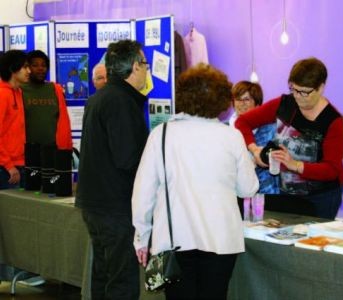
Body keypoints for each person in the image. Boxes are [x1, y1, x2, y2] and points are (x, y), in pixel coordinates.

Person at [132, 63, 259, 300]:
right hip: (221, 240)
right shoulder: (231, 136)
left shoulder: (162, 134)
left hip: (175, 239)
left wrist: (141, 236)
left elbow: (143, 192)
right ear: (222, 99)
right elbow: (248, 188)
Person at [75, 40, 149, 300]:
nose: (147, 70)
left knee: (104, 275)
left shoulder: (101, 98)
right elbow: (128, 158)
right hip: (115, 206)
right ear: (133, 67)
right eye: (144, 63)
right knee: (121, 282)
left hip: (96, 204)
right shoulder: (121, 102)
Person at [235, 57, 343, 219]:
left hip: (321, 196)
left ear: (321, 88)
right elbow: (243, 122)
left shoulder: (332, 121)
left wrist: (295, 165)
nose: (298, 96)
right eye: (294, 89)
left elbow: (333, 170)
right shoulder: (284, 104)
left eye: (304, 92)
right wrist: (255, 149)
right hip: (287, 192)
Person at [230, 81, 279, 217]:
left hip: (265, 193)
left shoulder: (271, 129)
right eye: (237, 99)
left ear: (257, 103)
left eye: (246, 99)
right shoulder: (225, 129)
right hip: (234, 193)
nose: (241, 103)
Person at [22, 50, 72, 149]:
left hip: (53, 148)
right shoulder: (20, 90)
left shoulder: (55, 89)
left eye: (44, 65)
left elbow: (63, 121)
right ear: (27, 68)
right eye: (35, 65)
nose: (40, 68)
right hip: (27, 149)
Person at [0, 50, 30, 189]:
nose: (29, 71)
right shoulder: (2, 94)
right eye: (24, 67)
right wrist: (8, 165)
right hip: (6, 168)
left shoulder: (18, 92)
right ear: (13, 68)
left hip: (20, 164)